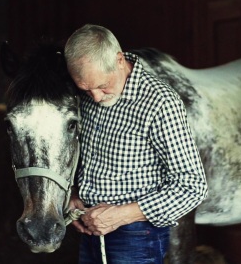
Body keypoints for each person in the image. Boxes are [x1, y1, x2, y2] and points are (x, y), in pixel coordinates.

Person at [64, 24, 208, 264]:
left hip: (137, 236)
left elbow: (193, 186)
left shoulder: (159, 103)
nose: (96, 98)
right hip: (89, 228)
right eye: (86, 90)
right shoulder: (87, 97)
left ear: (119, 60)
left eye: (102, 86)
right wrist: (75, 193)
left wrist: (121, 215)